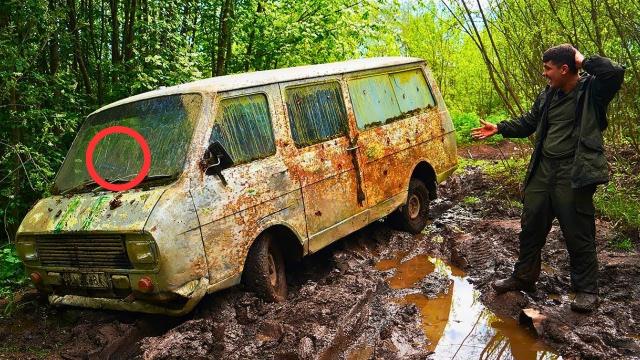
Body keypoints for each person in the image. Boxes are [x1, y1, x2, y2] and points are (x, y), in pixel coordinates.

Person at [471, 44, 625, 312]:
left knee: (578, 232)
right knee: (530, 226)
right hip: (543, 170)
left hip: (574, 172)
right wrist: (500, 128)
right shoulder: (549, 94)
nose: (544, 74)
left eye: (548, 68)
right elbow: (530, 121)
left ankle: (586, 290)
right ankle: (524, 277)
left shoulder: (593, 91)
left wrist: (582, 59)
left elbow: (615, 72)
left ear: (565, 69)